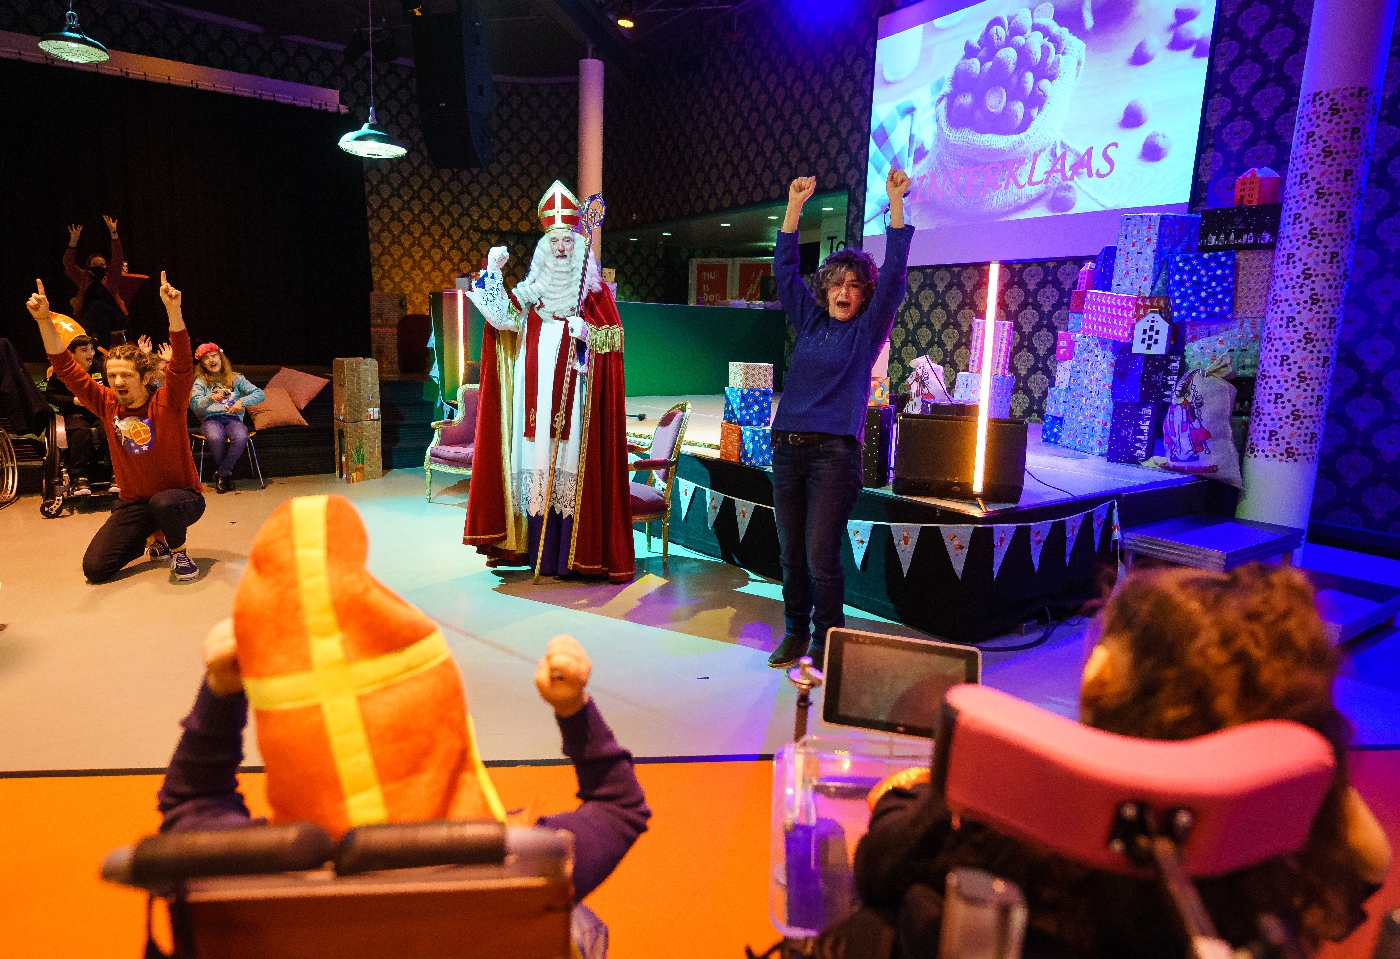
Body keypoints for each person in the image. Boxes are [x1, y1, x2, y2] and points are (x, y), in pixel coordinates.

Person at [155, 494, 648, 958]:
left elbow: (191, 802)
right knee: (578, 923)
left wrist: (221, 690)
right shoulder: (527, 861)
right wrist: (572, 706)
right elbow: (620, 806)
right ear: (448, 732)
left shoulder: (256, 881)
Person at [827, 565, 1392, 959]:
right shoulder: (1275, 869)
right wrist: (1292, 736)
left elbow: (880, 869)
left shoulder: (1016, 834)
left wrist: (910, 786)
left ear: (1101, 677)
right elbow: (1371, 860)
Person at [767, 169, 914, 668]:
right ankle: (794, 631)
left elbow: (894, 272)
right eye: (837, 283)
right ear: (826, 289)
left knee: (819, 557)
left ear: (865, 295)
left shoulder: (867, 332)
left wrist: (895, 203)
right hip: (786, 450)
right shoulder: (810, 321)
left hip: (834, 456)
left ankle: (826, 639)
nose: (845, 291)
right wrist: (793, 209)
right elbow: (785, 272)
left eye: (855, 285)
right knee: (790, 556)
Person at [464, 180, 634, 583]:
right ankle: (530, 547)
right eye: (554, 240)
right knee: (535, 466)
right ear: (544, 246)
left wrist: (588, 333)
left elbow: (615, 338)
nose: (561, 248)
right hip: (532, 399)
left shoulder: (594, 296)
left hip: (574, 403)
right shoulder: (531, 293)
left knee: (569, 469)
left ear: (578, 245)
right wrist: (493, 271)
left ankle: (567, 556)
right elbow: (501, 320)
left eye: (568, 240)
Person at [28, 273, 205, 583]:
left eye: (126, 375)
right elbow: (66, 368)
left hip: (181, 499)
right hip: (135, 503)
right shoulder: (107, 403)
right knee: (96, 569)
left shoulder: (169, 400)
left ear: (144, 377)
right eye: (112, 376)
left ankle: (178, 551)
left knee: (163, 503)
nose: (118, 382)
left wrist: (174, 311)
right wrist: (44, 321)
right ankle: (153, 537)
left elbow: (182, 364)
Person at [190, 343, 264, 493]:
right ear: (203, 364)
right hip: (211, 419)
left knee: (241, 436)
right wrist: (210, 398)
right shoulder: (201, 382)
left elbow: (260, 394)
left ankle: (222, 473)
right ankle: (225, 475)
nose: (211, 360)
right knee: (216, 437)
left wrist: (241, 402)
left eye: (214, 355)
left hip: (232, 418)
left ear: (221, 358)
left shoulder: (236, 378)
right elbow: (195, 405)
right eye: (206, 358)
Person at [44, 334, 108, 496]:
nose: (91, 354)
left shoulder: (101, 368)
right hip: (75, 413)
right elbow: (50, 396)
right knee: (81, 432)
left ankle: (115, 472)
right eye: (84, 350)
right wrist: (74, 400)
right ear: (72, 354)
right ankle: (79, 476)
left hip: (99, 411)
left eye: (92, 349)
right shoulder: (62, 371)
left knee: (111, 428)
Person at [63, 216, 128, 350]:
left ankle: (99, 350)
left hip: (114, 318)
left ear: (106, 266)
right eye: (95, 264)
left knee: (98, 307)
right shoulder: (83, 278)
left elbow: (118, 258)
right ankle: (102, 351)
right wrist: (73, 241)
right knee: (98, 316)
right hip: (91, 319)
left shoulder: (111, 278)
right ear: (89, 266)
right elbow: (68, 263)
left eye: (101, 264)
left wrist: (114, 234)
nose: (98, 266)